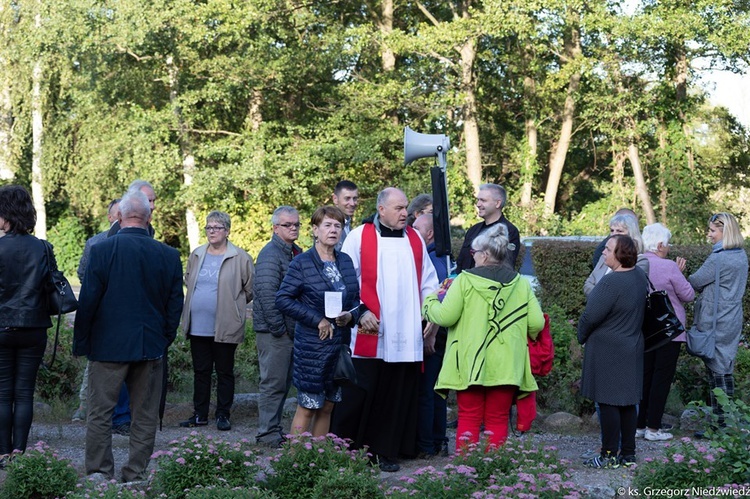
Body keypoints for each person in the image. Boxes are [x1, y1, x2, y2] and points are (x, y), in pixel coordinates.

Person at [73, 189, 183, 482]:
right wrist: (164, 339)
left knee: (99, 413)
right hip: (150, 345)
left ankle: (98, 471)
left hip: (107, 347)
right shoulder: (168, 255)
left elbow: (88, 302)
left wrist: (83, 342)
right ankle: (136, 472)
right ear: (148, 219)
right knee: (145, 415)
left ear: (119, 216)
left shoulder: (102, 251)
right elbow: (175, 306)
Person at [330, 187, 439, 472]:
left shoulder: (414, 238)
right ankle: (347, 449)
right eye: (399, 208)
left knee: (396, 393)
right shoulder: (359, 237)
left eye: (406, 208)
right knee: (360, 394)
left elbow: (429, 280)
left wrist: (431, 317)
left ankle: (386, 451)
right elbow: (345, 281)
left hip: (405, 332)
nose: (405, 213)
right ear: (381, 210)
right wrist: (360, 311)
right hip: (369, 331)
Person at [422, 224, 543, 452]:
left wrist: (429, 301)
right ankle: (493, 475)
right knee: (497, 419)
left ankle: (466, 474)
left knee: (468, 417)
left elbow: (445, 317)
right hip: (507, 364)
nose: (472, 257)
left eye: (473, 253)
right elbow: (536, 323)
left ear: (484, 255)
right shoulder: (520, 283)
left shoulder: (464, 280)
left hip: (470, 364)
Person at [275, 206, 361, 436]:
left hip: (338, 345)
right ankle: (296, 462)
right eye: (327, 225)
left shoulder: (345, 261)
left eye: (338, 226)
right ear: (315, 229)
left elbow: (355, 299)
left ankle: (320, 460)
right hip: (313, 346)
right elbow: (283, 299)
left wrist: (351, 315)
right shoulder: (301, 263)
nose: (333, 230)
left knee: (329, 405)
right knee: (308, 405)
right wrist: (317, 320)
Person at [577, 235, 647, 469]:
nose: (603, 252)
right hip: (631, 345)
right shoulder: (638, 276)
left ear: (620, 255)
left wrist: (581, 335)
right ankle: (628, 454)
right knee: (627, 403)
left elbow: (590, 316)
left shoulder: (611, 283)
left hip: (608, 350)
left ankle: (608, 455)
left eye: (608, 249)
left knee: (608, 403)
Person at [180, 211, 254, 431]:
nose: (212, 231)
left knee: (224, 371)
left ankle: (223, 414)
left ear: (227, 231)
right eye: (208, 228)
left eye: (217, 227)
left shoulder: (240, 257)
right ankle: (200, 414)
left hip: (226, 324)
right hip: (198, 325)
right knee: (201, 371)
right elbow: (188, 279)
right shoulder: (197, 254)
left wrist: (233, 307)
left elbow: (249, 289)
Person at [0, 185, 55, 469]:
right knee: (24, 392)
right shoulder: (43, 248)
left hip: (1, 328)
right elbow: (51, 287)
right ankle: (19, 451)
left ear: (5, 214)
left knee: (2, 392)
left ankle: (2, 452)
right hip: (34, 328)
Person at [688, 212, 748, 436]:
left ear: (725, 231)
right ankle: (724, 424)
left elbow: (696, 281)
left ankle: (722, 427)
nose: (709, 234)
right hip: (732, 317)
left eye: (713, 230)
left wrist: (680, 271)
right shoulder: (741, 255)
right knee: (724, 367)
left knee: (717, 371)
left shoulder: (719, 258)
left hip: (716, 320)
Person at [637, 223, 694, 441]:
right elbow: (688, 295)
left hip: (645, 329)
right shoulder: (669, 266)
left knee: (645, 377)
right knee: (662, 379)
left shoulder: (637, 262)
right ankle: (653, 428)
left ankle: (639, 425)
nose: (668, 248)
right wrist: (679, 273)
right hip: (669, 332)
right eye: (667, 244)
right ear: (660, 244)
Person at [252, 206, 303, 447]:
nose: (293, 228)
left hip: (287, 330)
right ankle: (267, 433)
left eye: (296, 224)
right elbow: (265, 294)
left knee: (282, 383)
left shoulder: (294, 252)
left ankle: (273, 430)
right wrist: (279, 329)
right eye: (287, 225)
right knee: (273, 383)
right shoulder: (271, 254)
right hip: (275, 332)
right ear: (275, 228)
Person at [72, 198, 121, 424]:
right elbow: (83, 273)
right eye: (117, 213)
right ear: (110, 217)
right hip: (101, 311)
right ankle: (85, 405)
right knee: (96, 362)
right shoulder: (95, 243)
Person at [412, 213, 449, 457]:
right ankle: (436, 441)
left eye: (416, 228)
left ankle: (427, 444)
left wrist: (430, 334)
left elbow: (438, 297)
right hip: (437, 332)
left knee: (428, 391)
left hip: (431, 334)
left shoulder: (433, 259)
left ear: (430, 233)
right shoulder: (442, 256)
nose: (411, 231)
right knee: (436, 390)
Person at [456, 183, 520, 272]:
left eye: (483, 200)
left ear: (497, 203)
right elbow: (461, 263)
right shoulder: (473, 230)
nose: (478, 204)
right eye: (478, 200)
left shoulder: (509, 231)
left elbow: (505, 268)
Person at [584, 214, 649, 296]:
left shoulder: (640, 261)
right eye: (612, 230)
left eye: (619, 231)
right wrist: (600, 296)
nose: (614, 234)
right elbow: (587, 284)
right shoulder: (604, 256)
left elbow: (621, 290)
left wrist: (598, 294)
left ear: (631, 234)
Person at [332, 180, 359, 251]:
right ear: (335, 199)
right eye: (347, 198)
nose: (352, 203)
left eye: (355, 199)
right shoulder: (329, 227)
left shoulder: (348, 225)